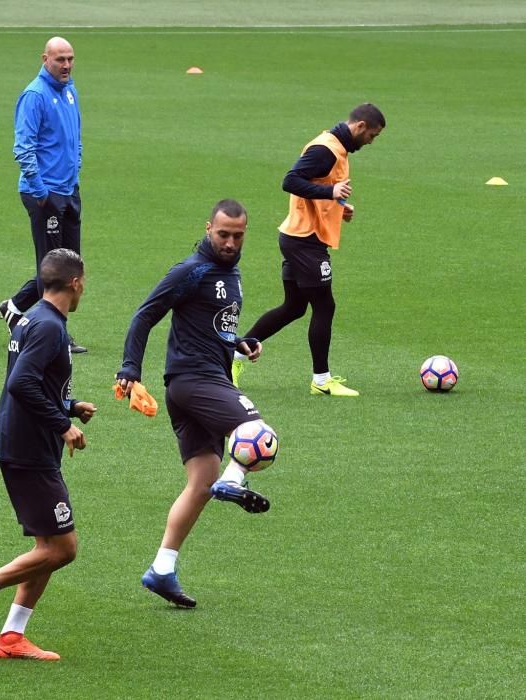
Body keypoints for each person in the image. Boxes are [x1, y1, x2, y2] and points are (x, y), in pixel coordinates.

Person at [114, 199, 273, 608]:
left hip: (196, 383)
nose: (230, 242)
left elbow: (211, 326)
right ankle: (236, 482)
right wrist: (130, 368)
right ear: (208, 229)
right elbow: (144, 315)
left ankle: (162, 569)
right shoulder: (191, 270)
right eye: (223, 234)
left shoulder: (228, 272)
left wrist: (238, 343)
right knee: (259, 434)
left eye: (238, 236)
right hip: (194, 381)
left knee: (201, 482)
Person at [0, 248, 96, 660]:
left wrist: (69, 404)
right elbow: (21, 384)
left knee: (46, 548)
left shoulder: (35, 319)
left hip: (28, 445)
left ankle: (12, 636)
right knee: (62, 549)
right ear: (76, 283)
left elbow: (33, 382)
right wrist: (64, 425)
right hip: (29, 450)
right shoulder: (50, 328)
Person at [232, 103, 386, 396]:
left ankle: (235, 353)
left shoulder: (336, 148)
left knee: (293, 307)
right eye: (372, 136)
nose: (371, 142)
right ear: (360, 127)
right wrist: (331, 193)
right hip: (305, 242)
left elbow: (316, 186)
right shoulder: (325, 149)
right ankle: (321, 380)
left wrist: (338, 207)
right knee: (324, 306)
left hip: (298, 237)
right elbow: (290, 181)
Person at [0, 36, 87, 354]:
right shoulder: (34, 95)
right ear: (45, 59)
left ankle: (14, 307)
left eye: (70, 59)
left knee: (72, 266)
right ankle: (54, 332)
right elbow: (23, 148)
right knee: (55, 270)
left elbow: (74, 138)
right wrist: (41, 192)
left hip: (69, 190)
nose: (66, 65)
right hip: (44, 194)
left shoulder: (71, 91)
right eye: (60, 59)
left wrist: (74, 171)